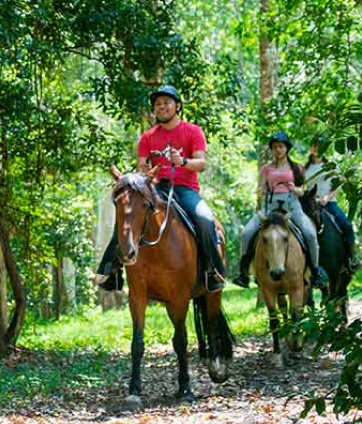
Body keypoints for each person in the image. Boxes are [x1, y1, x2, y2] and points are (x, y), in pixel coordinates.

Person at [95, 85, 228, 293]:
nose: (162, 107)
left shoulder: (193, 131)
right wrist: (147, 175)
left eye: (166, 102)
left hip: (185, 188)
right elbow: (142, 166)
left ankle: (213, 271)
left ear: (177, 106)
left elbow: (201, 164)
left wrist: (182, 161)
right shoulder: (147, 137)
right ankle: (112, 270)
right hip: (155, 188)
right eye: (157, 104)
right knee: (127, 216)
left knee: (204, 219)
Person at [233, 131, 329, 288]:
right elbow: (260, 187)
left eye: (281, 146)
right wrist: (260, 191)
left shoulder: (297, 168)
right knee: (246, 233)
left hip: (292, 205)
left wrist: (294, 189)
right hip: (269, 206)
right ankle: (244, 273)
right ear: (271, 149)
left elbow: (303, 191)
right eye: (275, 147)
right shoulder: (266, 169)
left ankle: (315, 272)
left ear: (287, 148)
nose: (278, 150)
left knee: (311, 234)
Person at [305, 135, 360, 270]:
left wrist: (327, 198)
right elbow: (301, 187)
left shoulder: (331, 166)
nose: (317, 148)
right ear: (311, 148)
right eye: (315, 145)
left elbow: (338, 185)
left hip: (329, 203)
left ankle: (352, 257)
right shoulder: (304, 168)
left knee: (346, 225)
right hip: (311, 204)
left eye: (320, 146)